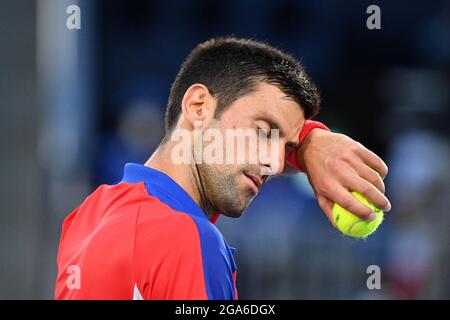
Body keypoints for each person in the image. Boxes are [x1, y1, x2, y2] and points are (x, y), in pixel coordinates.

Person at [55, 37, 391, 299]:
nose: (274, 164)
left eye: (286, 148)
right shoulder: (187, 240)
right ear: (198, 106)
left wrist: (308, 145)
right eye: (263, 130)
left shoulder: (88, 215)